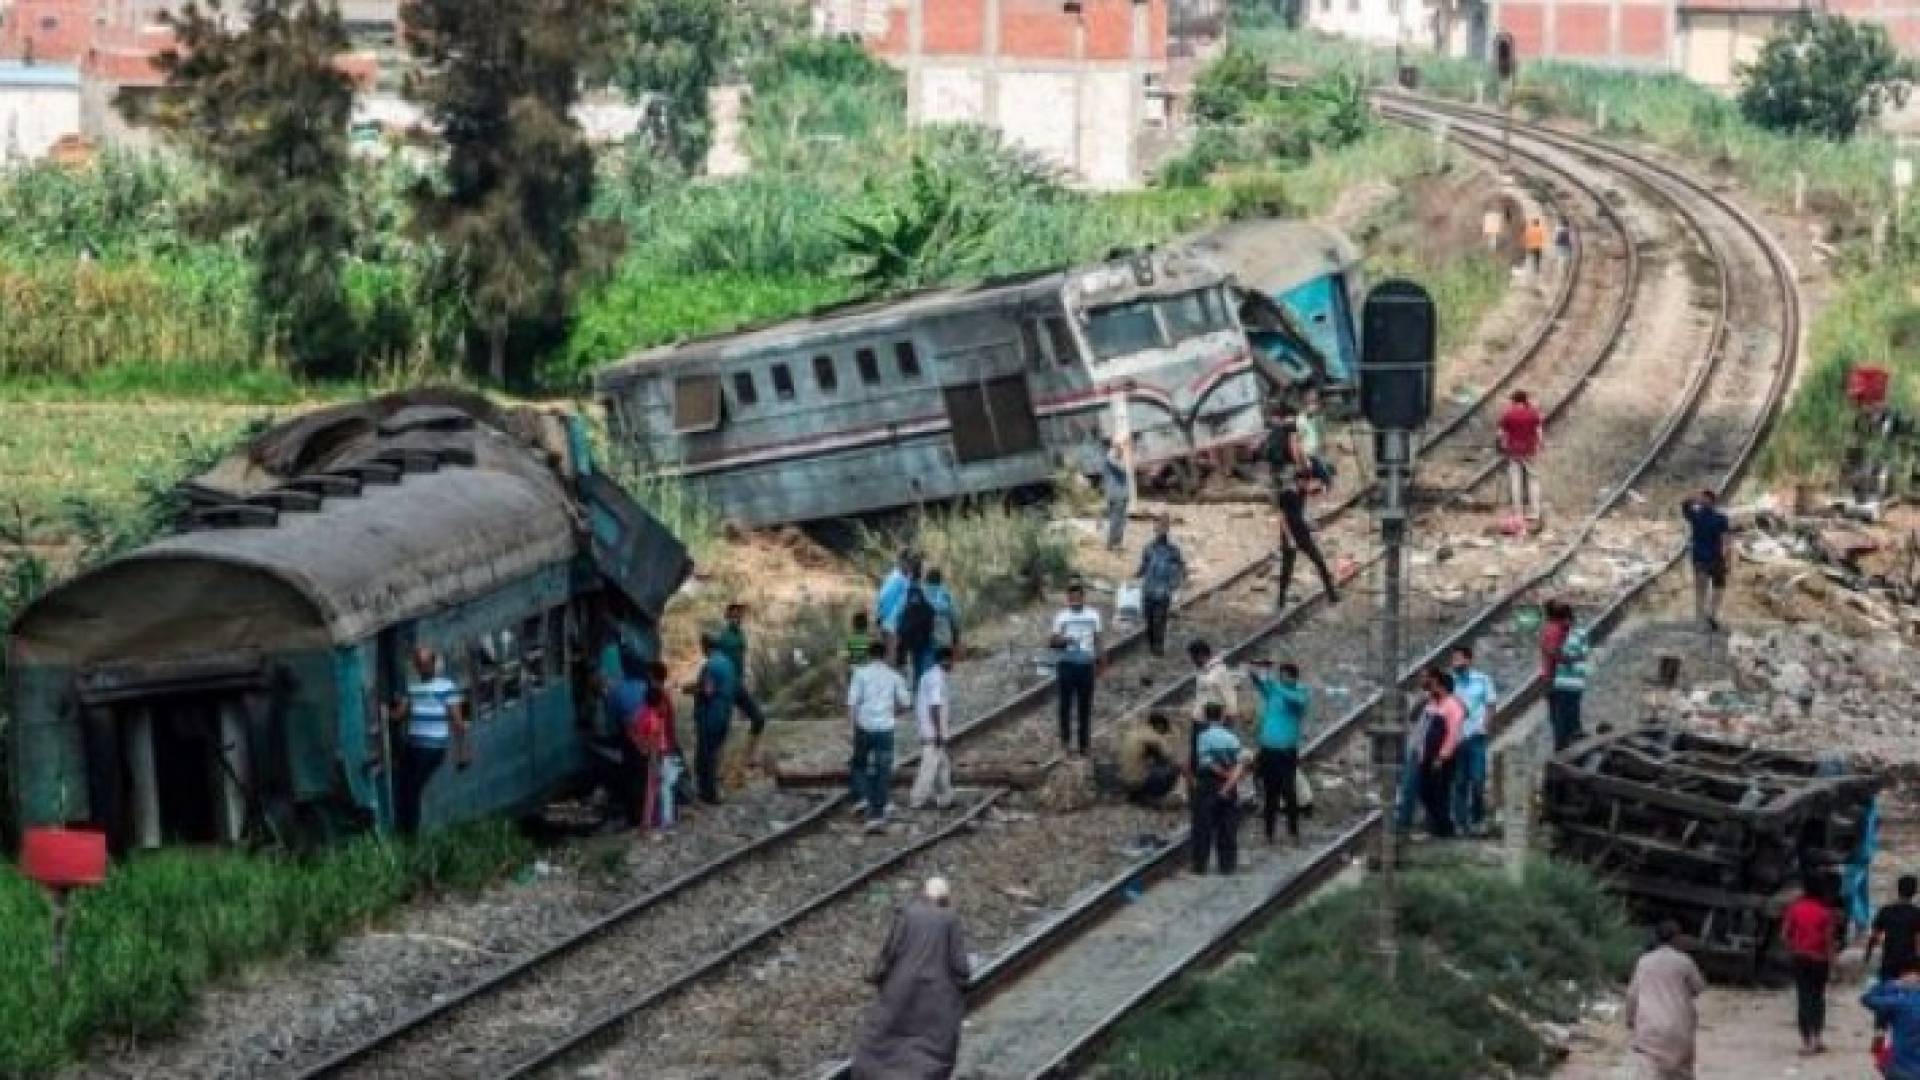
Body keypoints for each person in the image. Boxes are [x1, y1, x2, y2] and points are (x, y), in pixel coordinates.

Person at [852, 877, 971, 1080]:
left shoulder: (908, 913)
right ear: (946, 899)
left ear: (923, 893)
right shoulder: (951, 920)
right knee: (930, 1049)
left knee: (883, 1038)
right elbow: (959, 966)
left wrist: (878, 977)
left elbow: (889, 952)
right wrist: (960, 990)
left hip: (899, 991)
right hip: (936, 999)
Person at [1264, 403, 1340, 609]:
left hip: (1295, 522)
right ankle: (1328, 594)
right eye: (1295, 439)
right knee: (1303, 560)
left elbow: (1324, 482)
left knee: (1299, 560)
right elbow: (1281, 509)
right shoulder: (1289, 470)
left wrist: (1315, 487)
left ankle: (1327, 594)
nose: (1296, 442)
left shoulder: (1291, 468)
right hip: (1292, 524)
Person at [386, 646, 468, 835]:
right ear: (416, 667)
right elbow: (399, 715)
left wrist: (463, 752)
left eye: (426, 663)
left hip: (433, 748)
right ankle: (404, 829)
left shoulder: (446, 687)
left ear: (433, 663)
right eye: (419, 664)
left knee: (412, 786)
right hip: (414, 746)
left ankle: (409, 833)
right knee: (404, 785)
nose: (423, 668)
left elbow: (458, 721)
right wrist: (386, 711)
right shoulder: (413, 689)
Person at [1625, 920, 1705, 1080]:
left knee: (1648, 1070)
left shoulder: (1644, 961)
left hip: (1649, 1029)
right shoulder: (1684, 962)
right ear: (1677, 938)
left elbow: (1632, 995)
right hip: (1679, 1029)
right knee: (1681, 1073)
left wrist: (1630, 1020)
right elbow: (1698, 988)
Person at [848, 639, 910, 829]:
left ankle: (863, 797)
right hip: (885, 728)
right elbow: (906, 703)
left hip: (864, 726)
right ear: (885, 656)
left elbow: (852, 703)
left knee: (858, 764)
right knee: (883, 770)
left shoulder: (860, 674)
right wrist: (894, 713)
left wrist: (852, 727)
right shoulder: (894, 676)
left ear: (869, 655)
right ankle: (877, 814)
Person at [1247, 658, 1307, 844]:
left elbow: (1296, 701)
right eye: (1281, 676)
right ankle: (1269, 833)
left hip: (1286, 752)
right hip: (1268, 751)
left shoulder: (1300, 693)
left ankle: (1293, 832)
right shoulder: (1274, 692)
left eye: (1285, 677)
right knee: (1270, 794)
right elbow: (1260, 685)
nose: (1282, 679)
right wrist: (1256, 672)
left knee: (1289, 793)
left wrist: (1274, 684)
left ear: (1294, 678)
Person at [1190, 702, 1247, 875]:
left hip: (1207, 785)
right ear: (1222, 717)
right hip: (1230, 785)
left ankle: (1200, 866)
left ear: (1206, 717)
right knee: (1228, 826)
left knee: (1203, 826)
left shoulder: (1202, 737)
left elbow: (1207, 763)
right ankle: (1227, 866)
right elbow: (1241, 763)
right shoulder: (1232, 738)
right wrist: (1229, 781)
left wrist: (1222, 775)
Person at [1781, 878, 1837, 1056]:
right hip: (1819, 960)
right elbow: (1829, 941)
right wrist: (1832, 963)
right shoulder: (1825, 912)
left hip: (1800, 958)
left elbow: (1784, 935)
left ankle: (1807, 1041)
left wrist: (1793, 948)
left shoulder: (1794, 909)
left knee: (1803, 998)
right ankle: (1817, 1038)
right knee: (1818, 998)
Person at [1049, 582, 1103, 756]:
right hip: (1066, 665)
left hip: (1086, 666)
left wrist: (1101, 661)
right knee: (1065, 706)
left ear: (1083, 598)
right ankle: (1065, 743)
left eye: (1078, 598)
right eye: (1071, 598)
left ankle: (1084, 744)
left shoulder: (1093, 615)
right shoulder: (1061, 617)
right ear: (1068, 599)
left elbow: (1098, 639)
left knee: (1085, 706)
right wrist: (1063, 641)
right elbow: (1052, 642)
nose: (1075, 601)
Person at [1448, 645, 1498, 834]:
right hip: (1457, 738)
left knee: (1478, 780)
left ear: (1468, 660)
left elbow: (1491, 704)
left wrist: (1486, 726)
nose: (1455, 663)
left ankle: (1478, 819)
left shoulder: (1483, 680)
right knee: (1459, 781)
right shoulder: (1450, 682)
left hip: (1476, 736)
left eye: (1459, 659)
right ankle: (1461, 823)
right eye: (1453, 659)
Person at [600, 648, 651, 828]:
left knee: (631, 775)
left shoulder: (618, 691)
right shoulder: (645, 686)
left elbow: (612, 720)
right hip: (649, 735)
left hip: (630, 738)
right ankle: (649, 812)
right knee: (646, 773)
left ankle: (634, 817)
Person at [1416, 665, 1465, 839]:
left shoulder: (1453, 706)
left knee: (1440, 792)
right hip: (1427, 757)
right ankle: (1436, 825)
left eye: (1435, 687)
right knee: (1425, 791)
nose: (1432, 690)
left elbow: (1453, 734)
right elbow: (1423, 731)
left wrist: (1442, 756)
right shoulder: (1432, 705)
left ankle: (1443, 829)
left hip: (1442, 758)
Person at [689, 632, 738, 805]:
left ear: (706, 647)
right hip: (725, 714)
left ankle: (709, 794)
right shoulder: (728, 663)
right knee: (714, 753)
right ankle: (711, 791)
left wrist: (692, 690)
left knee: (706, 755)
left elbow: (708, 691)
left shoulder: (711, 665)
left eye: (702, 647)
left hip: (710, 716)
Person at [716, 602, 769, 754]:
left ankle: (748, 755)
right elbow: (718, 661)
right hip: (725, 686)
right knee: (721, 726)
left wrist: (745, 680)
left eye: (739, 615)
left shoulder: (741, 634)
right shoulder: (724, 637)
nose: (737, 618)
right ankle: (717, 760)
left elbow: (742, 660)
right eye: (733, 615)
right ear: (728, 617)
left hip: (738, 684)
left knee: (758, 718)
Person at [910, 647, 956, 811]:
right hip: (932, 731)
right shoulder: (936, 679)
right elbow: (934, 706)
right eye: (951, 660)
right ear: (945, 660)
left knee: (942, 765)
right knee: (929, 766)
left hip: (930, 728)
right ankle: (917, 799)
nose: (953, 664)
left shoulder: (929, 675)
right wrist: (938, 732)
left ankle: (945, 798)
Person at [1136, 517, 1187, 657]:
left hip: (1164, 591)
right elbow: (1144, 566)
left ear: (1167, 530)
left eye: (1164, 527)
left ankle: (1158, 647)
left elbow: (1181, 567)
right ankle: (1152, 643)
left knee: (1160, 620)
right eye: (1159, 528)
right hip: (1148, 590)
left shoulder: (1173, 550)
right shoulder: (1148, 548)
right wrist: (1135, 576)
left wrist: (1178, 584)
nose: (1161, 531)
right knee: (1149, 619)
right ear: (1155, 529)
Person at [1681, 489, 1731, 632]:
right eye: (1702, 499)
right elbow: (1726, 540)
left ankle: (1706, 618)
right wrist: (1727, 559)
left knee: (1708, 589)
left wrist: (1694, 498)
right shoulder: (1713, 517)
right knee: (1712, 588)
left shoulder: (1699, 517)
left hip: (1706, 558)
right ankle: (1708, 617)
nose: (1703, 501)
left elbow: (1685, 504)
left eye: (1704, 498)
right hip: (1709, 558)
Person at [1541, 601, 1588, 751]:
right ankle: (1564, 748)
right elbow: (1552, 651)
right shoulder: (1558, 630)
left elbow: (1550, 651)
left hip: (1555, 679)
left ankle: (1564, 746)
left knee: (1560, 717)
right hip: (1558, 680)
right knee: (1564, 717)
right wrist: (1568, 659)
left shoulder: (1551, 629)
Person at [630, 680, 677, 830]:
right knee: (657, 788)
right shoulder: (654, 719)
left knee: (651, 788)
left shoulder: (640, 712)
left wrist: (640, 745)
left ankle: (652, 819)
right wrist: (655, 759)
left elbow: (632, 729)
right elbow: (655, 742)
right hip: (655, 756)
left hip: (643, 754)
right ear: (658, 703)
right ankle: (652, 821)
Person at [1864, 961, 1920, 1080]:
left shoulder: (1901, 1003)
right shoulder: (1903, 1003)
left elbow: (1867, 999)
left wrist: (1894, 984)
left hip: (1902, 1067)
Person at [1497, 390, 1546, 525]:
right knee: (1533, 480)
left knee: (1515, 481)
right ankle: (1534, 512)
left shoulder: (1507, 414)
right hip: (1530, 451)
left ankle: (1517, 512)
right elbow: (1539, 432)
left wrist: (1502, 446)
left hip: (1513, 451)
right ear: (1525, 400)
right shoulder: (1533, 413)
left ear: (1514, 400)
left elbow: (1500, 434)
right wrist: (1540, 445)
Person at [1868, 876, 1920, 998]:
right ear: (1914, 892)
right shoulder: (1917, 913)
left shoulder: (1885, 911)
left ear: (1898, 889)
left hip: (1889, 958)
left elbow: (1874, 935)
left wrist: (1868, 953)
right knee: (1907, 996)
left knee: (1886, 994)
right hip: (1909, 961)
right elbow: (1918, 939)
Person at [1117, 711, 1181, 806]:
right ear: (1160, 726)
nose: (1164, 733)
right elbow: (1168, 755)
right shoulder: (1154, 737)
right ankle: (1152, 796)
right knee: (1175, 768)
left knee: (1152, 763)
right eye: (1165, 729)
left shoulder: (1135, 732)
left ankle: (1135, 795)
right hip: (1138, 782)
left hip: (1124, 781)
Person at [896, 573, 939, 688]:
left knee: (922, 666)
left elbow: (901, 626)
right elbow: (901, 630)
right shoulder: (909, 609)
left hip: (922, 641)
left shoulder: (920, 607)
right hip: (918, 642)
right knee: (918, 666)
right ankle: (919, 687)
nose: (915, 599)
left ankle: (920, 687)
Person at [875, 550, 917, 662]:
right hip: (890, 621)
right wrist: (880, 616)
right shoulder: (896, 578)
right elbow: (883, 598)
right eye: (908, 561)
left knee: (891, 653)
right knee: (890, 653)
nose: (911, 564)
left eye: (912, 562)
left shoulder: (905, 578)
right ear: (901, 561)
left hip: (896, 622)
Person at [1188, 638, 1240, 729]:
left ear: (1201, 655)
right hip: (1200, 719)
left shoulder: (1219, 670)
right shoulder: (1201, 671)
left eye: (1193, 657)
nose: (1192, 661)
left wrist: (1231, 715)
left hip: (1216, 720)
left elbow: (1229, 693)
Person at [1297, 389, 1334, 488]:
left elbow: (1323, 433)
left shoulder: (1320, 418)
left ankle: (1324, 485)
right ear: (1304, 404)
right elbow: (1300, 439)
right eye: (1310, 403)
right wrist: (1304, 457)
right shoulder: (1301, 420)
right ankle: (1321, 484)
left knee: (1324, 473)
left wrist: (1325, 444)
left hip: (1319, 451)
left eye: (1315, 402)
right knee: (1320, 474)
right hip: (1309, 453)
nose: (1313, 406)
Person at [923, 567, 962, 659]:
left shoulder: (922, 593)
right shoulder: (945, 592)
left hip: (924, 636)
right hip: (943, 634)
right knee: (944, 660)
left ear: (927, 580)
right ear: (940, 580)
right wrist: (956, 637)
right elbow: (955, 614)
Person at [1102, 438, 1132, 552]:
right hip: (1116, 495)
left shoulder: (1115, 458)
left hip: (1122, 494)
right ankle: (1111, 544)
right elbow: (1122, 468)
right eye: (1119, 448)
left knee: (1122, 520)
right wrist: (1121, 454)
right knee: (1116, 520)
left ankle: (1117, 543)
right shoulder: (1111, 458)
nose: (1122, 451)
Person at [846, 611, 874, 681]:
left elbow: (848, 655)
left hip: (854, 667)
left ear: (854, 625)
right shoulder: (869, 639)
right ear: (866, 626)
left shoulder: (850, 638)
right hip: (867, 667)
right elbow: (871, 655)